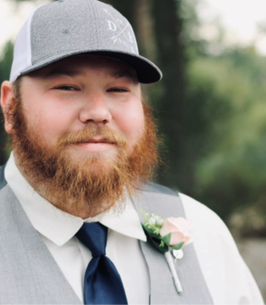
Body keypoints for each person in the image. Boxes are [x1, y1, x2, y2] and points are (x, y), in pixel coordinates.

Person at [0, 0, 264, 304]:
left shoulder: (205, 233)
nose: (98, 112)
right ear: (10, 105)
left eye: (118, 90)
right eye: (67, 87)